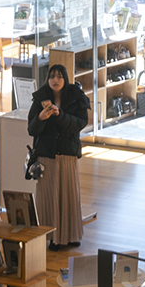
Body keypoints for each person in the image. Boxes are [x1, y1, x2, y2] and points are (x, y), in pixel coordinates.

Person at [28, 64, 90, 248]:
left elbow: (81, 123)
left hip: (67, 154)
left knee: (69, 196)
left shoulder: (75, 96)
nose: (55, 80)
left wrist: (60, 115)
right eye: (52, 76)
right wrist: (41, 118)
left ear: (65, 78)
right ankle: (52, 237)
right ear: (48, 79)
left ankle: (70, 236)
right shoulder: (40, 98)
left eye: (59, 76)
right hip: (46, 155)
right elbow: (32, 129)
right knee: (49, 197)